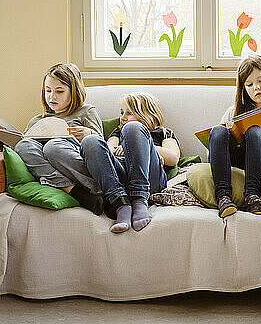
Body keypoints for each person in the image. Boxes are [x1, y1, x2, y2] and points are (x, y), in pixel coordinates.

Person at [80, 92, 180, 233]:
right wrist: (121, 148)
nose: (123, 117)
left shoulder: (163, 133)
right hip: (121, 177)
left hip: (150, 178)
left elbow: (173, 157)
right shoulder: (117, 132)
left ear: (146, 114)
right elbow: (107, 151)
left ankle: (139, 200)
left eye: (129, 113)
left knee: (132, 128)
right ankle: (121, 203)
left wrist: (147, 148)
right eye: (121, 113)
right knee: (89, 141)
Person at [12, 63, 105, 215]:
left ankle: (94, 188)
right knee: (24, 146)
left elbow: (101, 147)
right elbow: (22, 154)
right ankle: (71, 190)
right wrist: (3, 137)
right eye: (48, 91)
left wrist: (88, 133)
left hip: (76, 163)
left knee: (53, 147)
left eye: (59, 91)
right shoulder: (37, 120)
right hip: (53, 168)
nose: (52, 96)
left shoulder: (86, 112)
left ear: (73, 92)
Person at [210, 54, 261, 218]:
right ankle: (223, 197)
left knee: (255, 131)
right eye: (249, 84)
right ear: (243, 88)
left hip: (258, 169)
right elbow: (212, 156)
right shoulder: (232, 112)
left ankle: (252, 196)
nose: (256, 87)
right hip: (233, 163)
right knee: (218, 131)